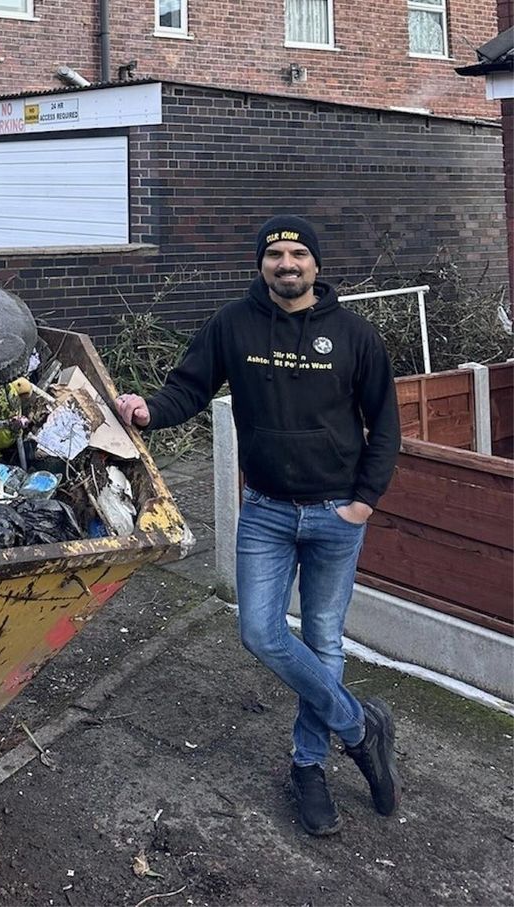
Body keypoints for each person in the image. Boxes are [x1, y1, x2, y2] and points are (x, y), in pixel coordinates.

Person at [114, 216, 402, 837]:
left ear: (317, 266)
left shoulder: (355, 336)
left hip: (335, 514)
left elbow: (386, 425)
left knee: (324, 641)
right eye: (276, 255)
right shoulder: (233, 324)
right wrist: (146, 410)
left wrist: (364, 503)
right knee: (260, 632)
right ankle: (358, 727)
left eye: (299, 253)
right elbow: (187, 388)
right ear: (262, 265)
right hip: (267, 511)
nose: (287, 264)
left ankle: (309, 767)